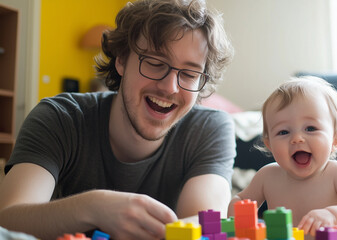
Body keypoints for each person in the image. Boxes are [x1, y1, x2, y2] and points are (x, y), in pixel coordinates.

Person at [0, 0, 235, 239]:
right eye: (154, 63)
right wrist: (94, 207)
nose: (170, 87)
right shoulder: (59, 118)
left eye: (189, 73)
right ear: (121, 59)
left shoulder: (210, 128)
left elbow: (207, 222)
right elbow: (8, 218)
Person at [227, 77, 337, 240]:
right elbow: (241, 200)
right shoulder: (267, 176)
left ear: (335, 140)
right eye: (283, 132)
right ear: (269, 145)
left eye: (310, 128)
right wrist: (237, 220)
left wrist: (334, 215)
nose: (297, 138)